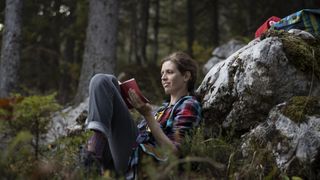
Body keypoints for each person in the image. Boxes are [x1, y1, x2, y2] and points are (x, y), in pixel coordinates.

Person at [84, 51, 202, 179]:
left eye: (169, 72)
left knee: (101, 81)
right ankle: (94, 152)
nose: (163, 77)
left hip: (144, 163)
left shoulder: (189, 104)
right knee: (109, 81)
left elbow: (174, 152)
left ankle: (93, 152)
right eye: (162, 73)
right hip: (126, 155)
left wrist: (148, 115)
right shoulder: (162, 109)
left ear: (186, 76)